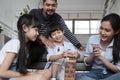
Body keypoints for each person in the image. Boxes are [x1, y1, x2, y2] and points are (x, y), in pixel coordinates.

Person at [28, 0, 85, 67]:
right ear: (42, 4)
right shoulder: (34, 13)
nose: (50, 8)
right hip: (30, 40)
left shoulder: (57, 18)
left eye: (53, 5)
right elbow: (29, 29)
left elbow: (67, 32)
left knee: (37, 51)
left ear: (56, 6)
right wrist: (42, 37)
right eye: (48, 5)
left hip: (40, 45)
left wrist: (79, 46)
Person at [0, 14, 51, 80]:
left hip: (13, 76)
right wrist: (31, 74)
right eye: (36, 30)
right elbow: (2, 73)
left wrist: (32, 73)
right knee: (39, 77)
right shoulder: (15, 43)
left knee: (47, 72)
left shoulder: (26, 47)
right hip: (4, 78)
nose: (38, 33)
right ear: (25, 28)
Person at [75, 13, 120, 80]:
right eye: (101, 28)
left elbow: (118, 70)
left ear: (116, 31)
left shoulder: (118, 44)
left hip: (112, 75)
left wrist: (100, 57)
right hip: (94, 74)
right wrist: (93, 55)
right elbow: (86, 63)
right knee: (77, 76)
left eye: (107, 30)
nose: (102, 32)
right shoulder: (92, 39)